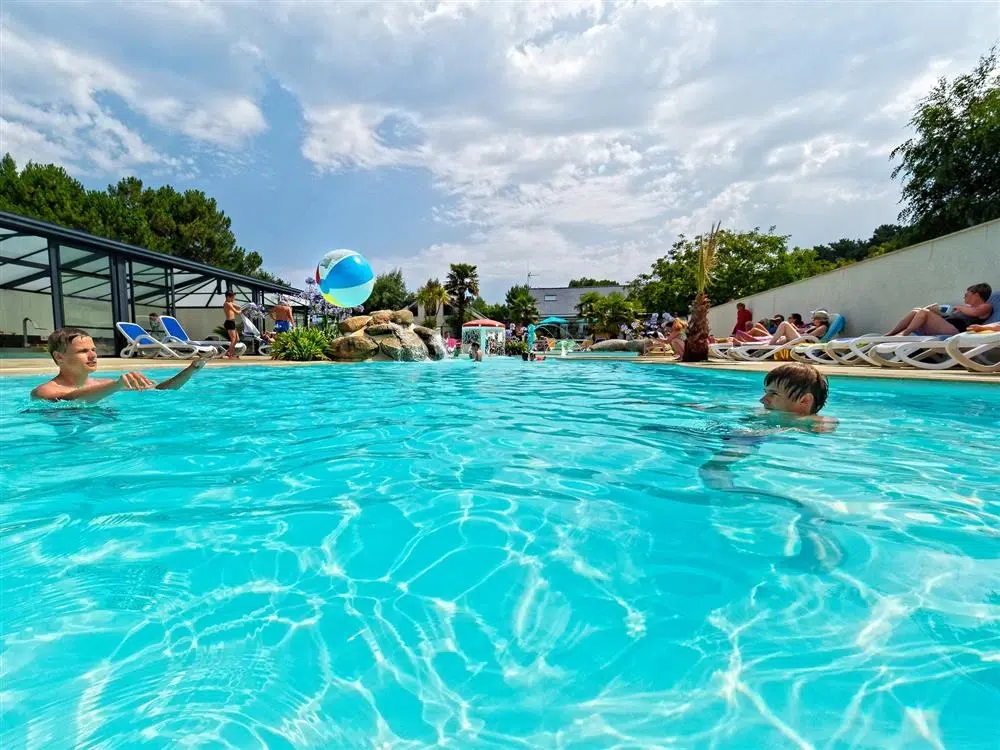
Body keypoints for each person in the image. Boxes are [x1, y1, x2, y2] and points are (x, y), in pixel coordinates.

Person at [31, 328, 207, 403]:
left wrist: (191, 369)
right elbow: (70, 398)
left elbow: (160, 389)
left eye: (93, 349)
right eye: (83, 351)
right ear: (59, 357)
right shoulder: (43, 391)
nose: (93, 355)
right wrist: (117, 385)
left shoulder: (102, 385)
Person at [885, 283, 996, 336]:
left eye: (966, 294)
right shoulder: (966, 308)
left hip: (956, 331)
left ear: (976, 295)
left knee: (924, 312)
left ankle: (904, 334)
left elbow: (976, 312)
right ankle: (891, 333)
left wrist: (959, 307)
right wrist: (936, 311)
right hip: (946, 326)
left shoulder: (986, 306)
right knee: (916, 310)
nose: (964, 297)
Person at [222, 290, 242, 358]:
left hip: (232, 322)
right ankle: (229, 353)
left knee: (237, 339)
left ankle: (230, 352)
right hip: (229, 322)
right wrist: (241, 311)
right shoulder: (227, 303)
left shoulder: (230, 302)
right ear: (228, 297)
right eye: (233, 297)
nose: (234, 299)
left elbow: (239, 307)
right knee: (233, 339)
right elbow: (236, 312)